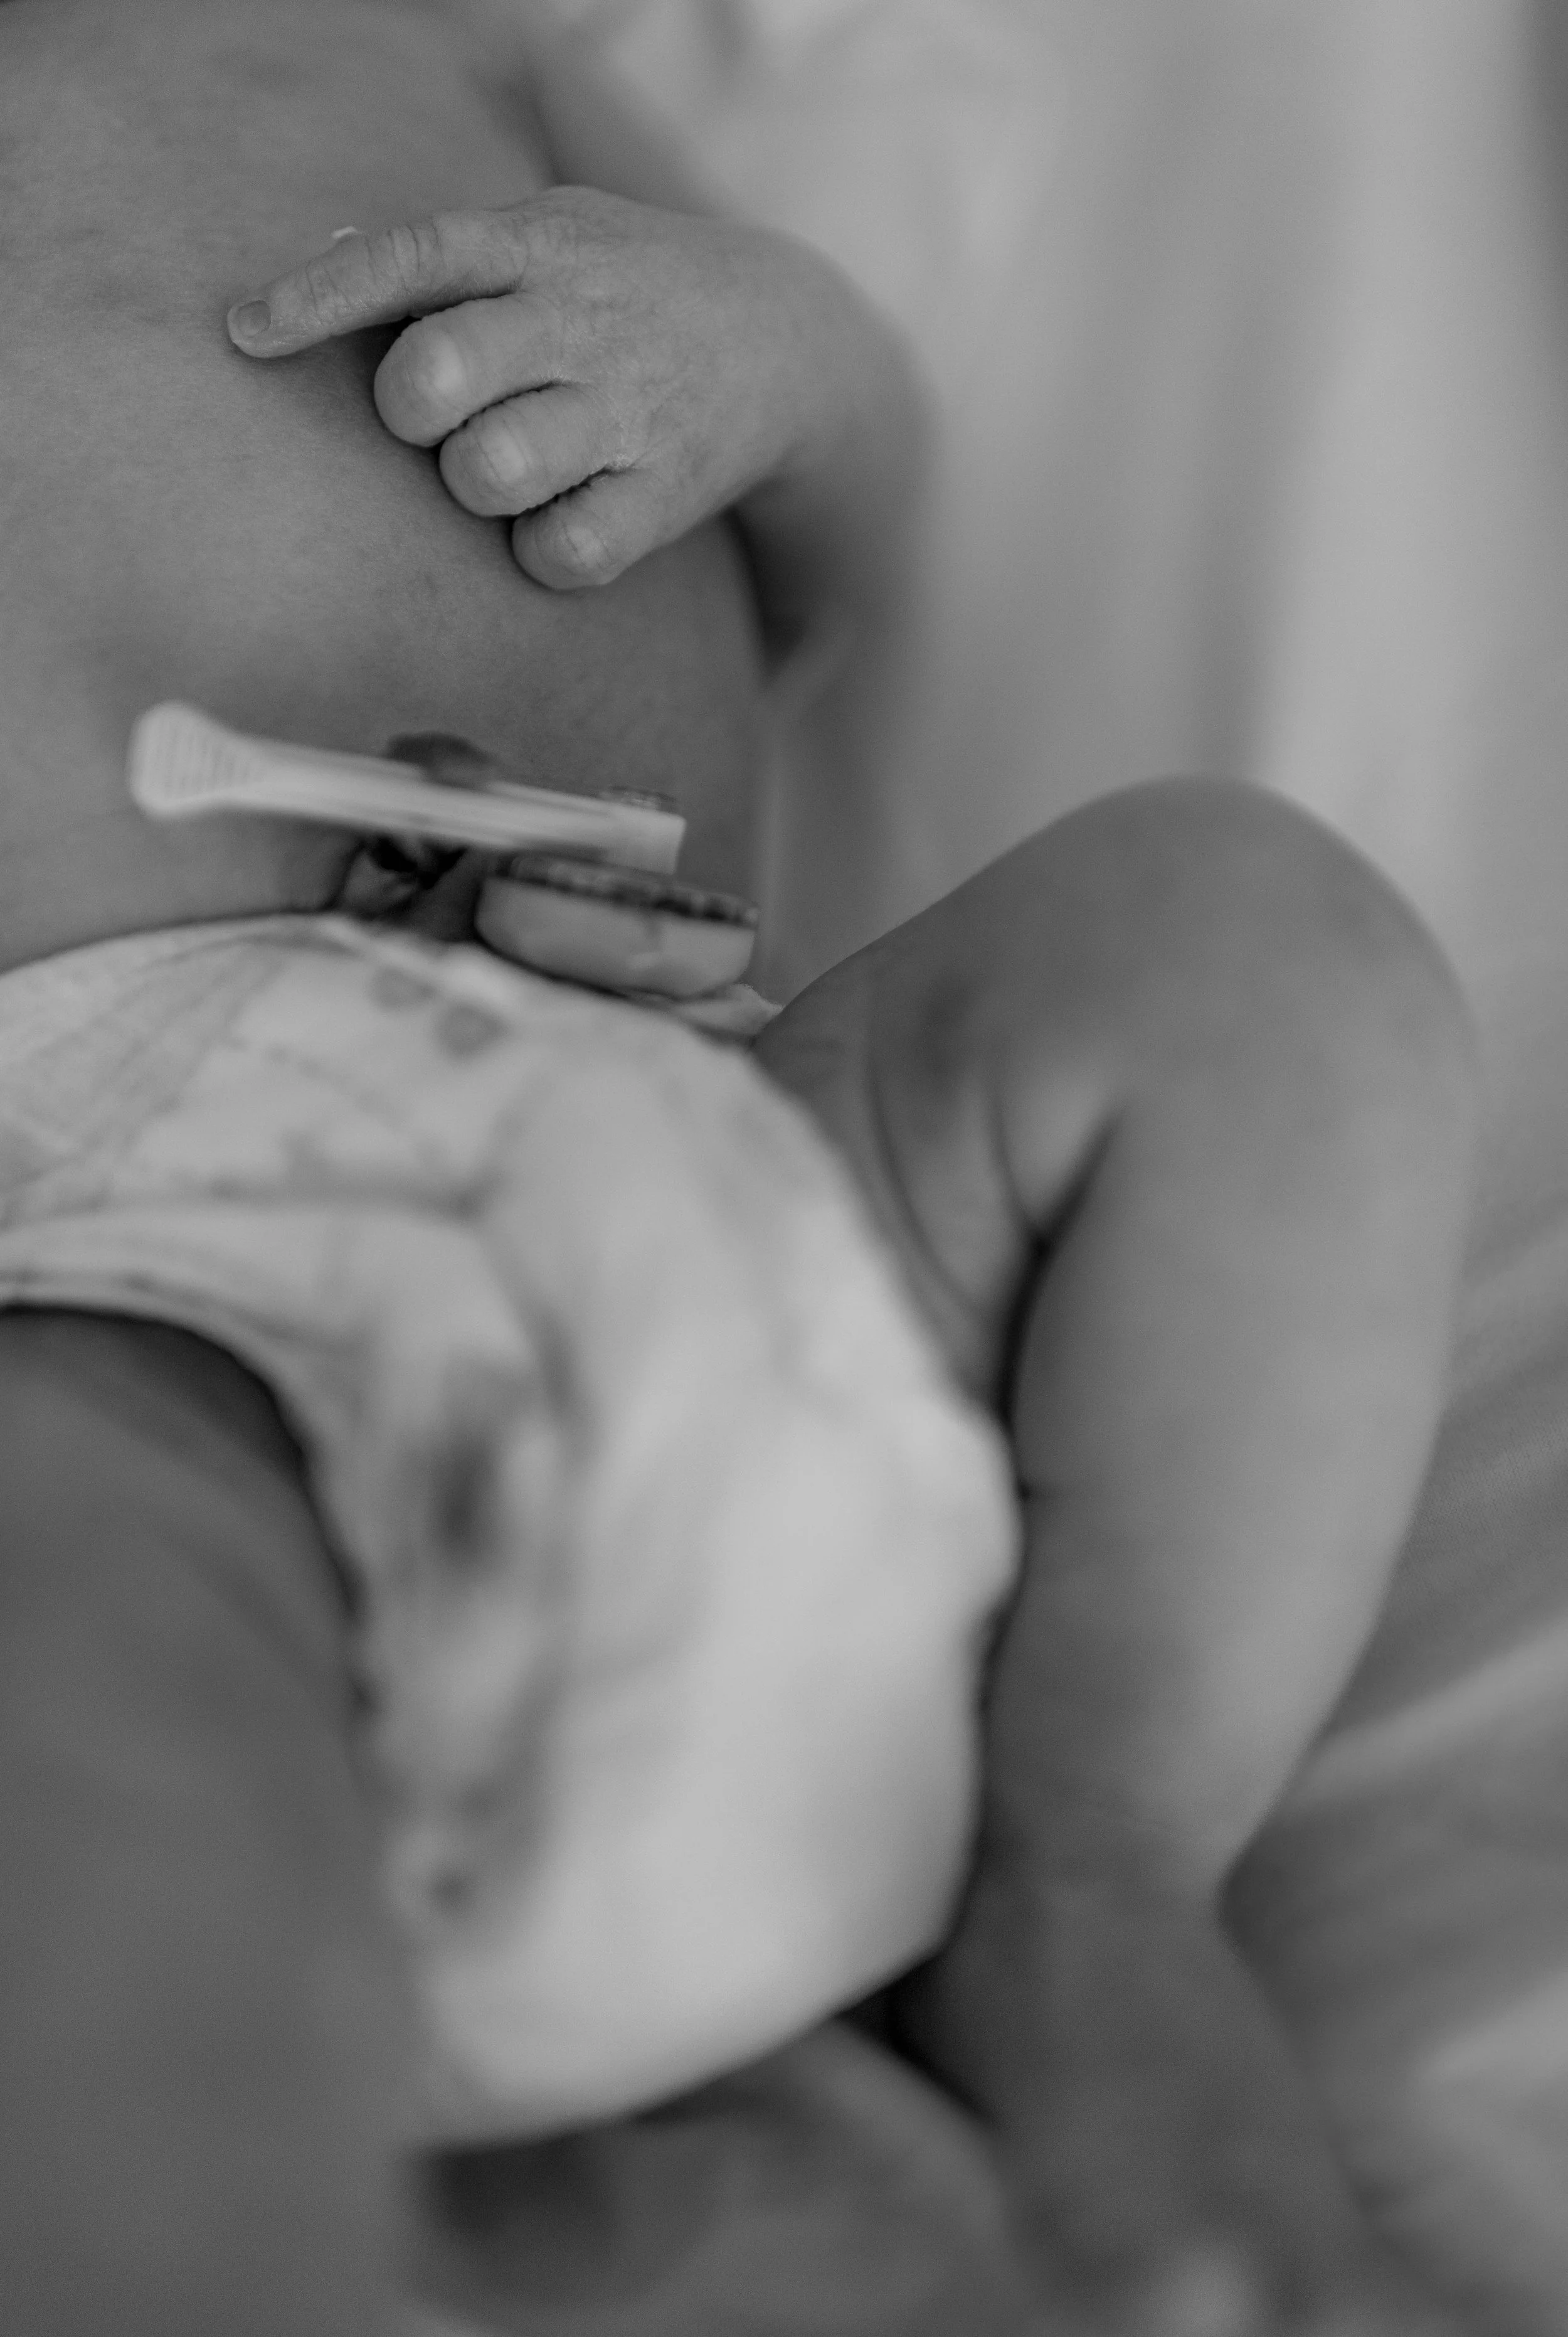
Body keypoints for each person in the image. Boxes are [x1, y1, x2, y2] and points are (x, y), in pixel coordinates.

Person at [0, 3, 1474, 2333]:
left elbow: (869, 504)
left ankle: (1091, 1859)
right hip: (112, 1264)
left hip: (747, 1165)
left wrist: (760, 361)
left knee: (1251, 953)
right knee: (94, 1677)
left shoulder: (438, 53)